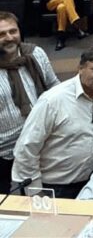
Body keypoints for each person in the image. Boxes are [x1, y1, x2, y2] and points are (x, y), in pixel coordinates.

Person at [12, 44, 93, 198]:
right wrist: (35, 191)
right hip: (52, 187)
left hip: (92, 183)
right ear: (81, 68)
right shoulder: (52, 100)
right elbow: (26, 147)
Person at [0, 12, 60, 193]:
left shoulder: (35, 54)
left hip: (40, 144)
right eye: (2, 34)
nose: (9, 38)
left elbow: (54, 88)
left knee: (42, 200)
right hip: (4, 152)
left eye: (13, 31)